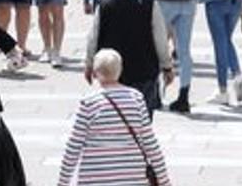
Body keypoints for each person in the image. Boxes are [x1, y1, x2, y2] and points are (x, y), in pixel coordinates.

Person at [59, 48, 172, 186]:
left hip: (95, 178)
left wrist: (63, 181)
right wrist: (164, 180)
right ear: (120, 71)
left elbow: (73, 147)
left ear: (95, 74)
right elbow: (150, 144)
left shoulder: (89, 103)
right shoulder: (136, 98)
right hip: (133, 178)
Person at [85, 0, 175, 115]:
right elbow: (160, 38)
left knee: (114, 117)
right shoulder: (149, 2)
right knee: (142, 119)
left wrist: (90, 63)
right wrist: (167, 66)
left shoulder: (105, 1)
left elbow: (94, 36)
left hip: (112, 70)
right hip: (144, 69)